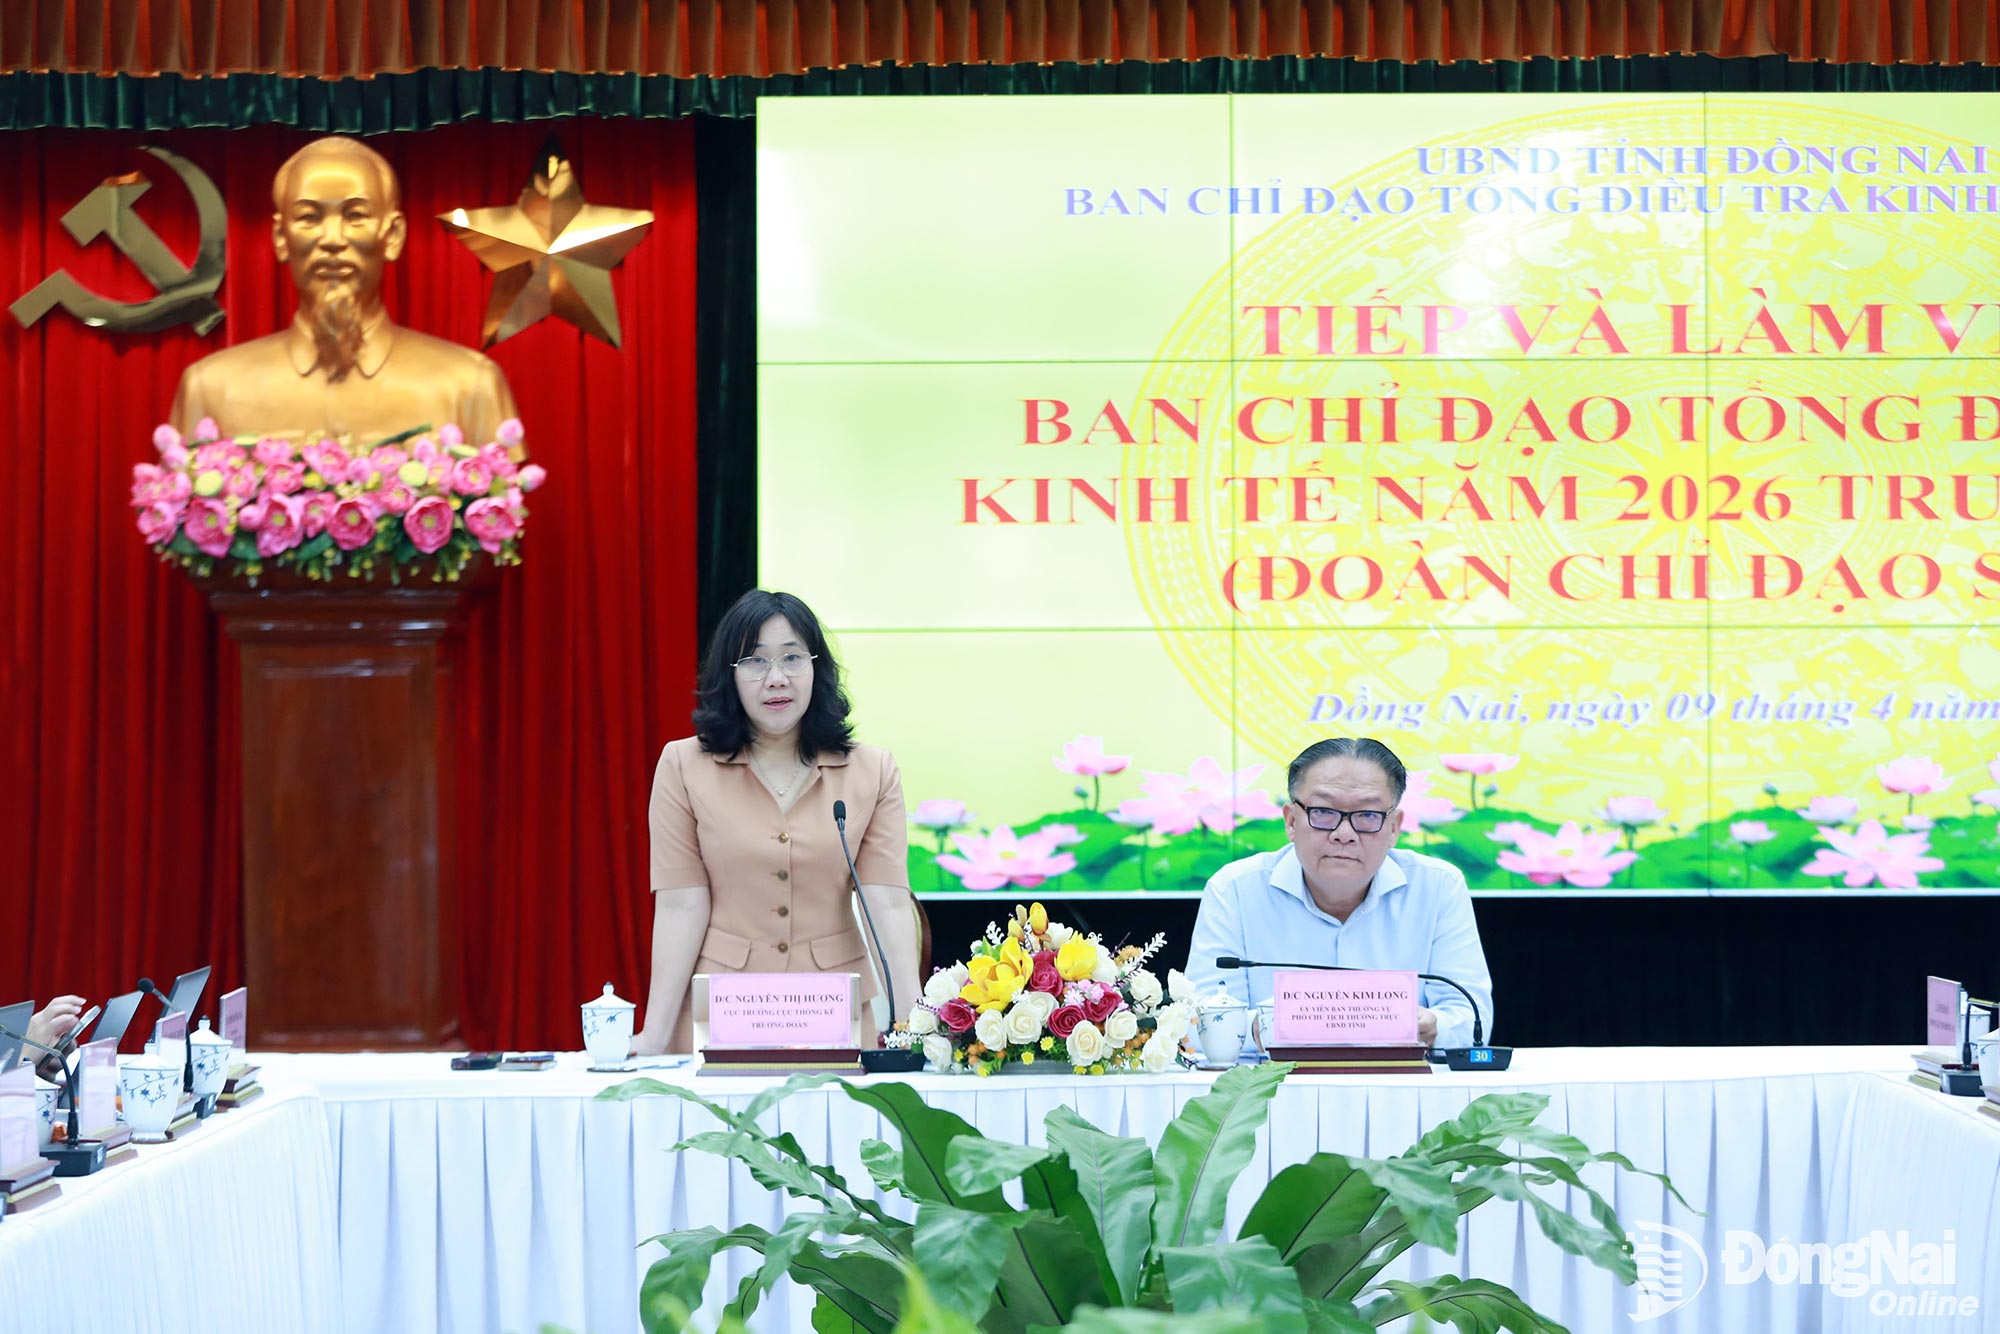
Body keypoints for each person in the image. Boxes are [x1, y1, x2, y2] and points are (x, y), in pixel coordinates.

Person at [631, 590, 920, 1054]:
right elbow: (681, 905)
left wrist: (913, 1024)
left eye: (791, 659)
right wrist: (653, 1035)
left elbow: (885, 901)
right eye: (755, 662)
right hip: (722, 1008)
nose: (776, 679)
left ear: (816, 669)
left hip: (834, 1009)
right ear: (730, 674)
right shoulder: (683, 766)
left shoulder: (873, 770)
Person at [171, 135, 518, 447]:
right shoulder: (212, 389)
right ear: (280, 238)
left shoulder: (471, 386)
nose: (332, 240)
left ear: (393, 235)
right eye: (309, 218)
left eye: (355, 216)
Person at [1187, 737, 1493, 1048]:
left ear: (1394, 828)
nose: (1343, 834)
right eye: (1323, 811)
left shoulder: (1438, 886)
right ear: (1291, 820)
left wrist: (1435, 1026)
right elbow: (1199, 1024)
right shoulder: (1235, 890)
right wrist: (1284, 1025)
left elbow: (1472, 1018)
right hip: (1273, 1090)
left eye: (1368, 815)